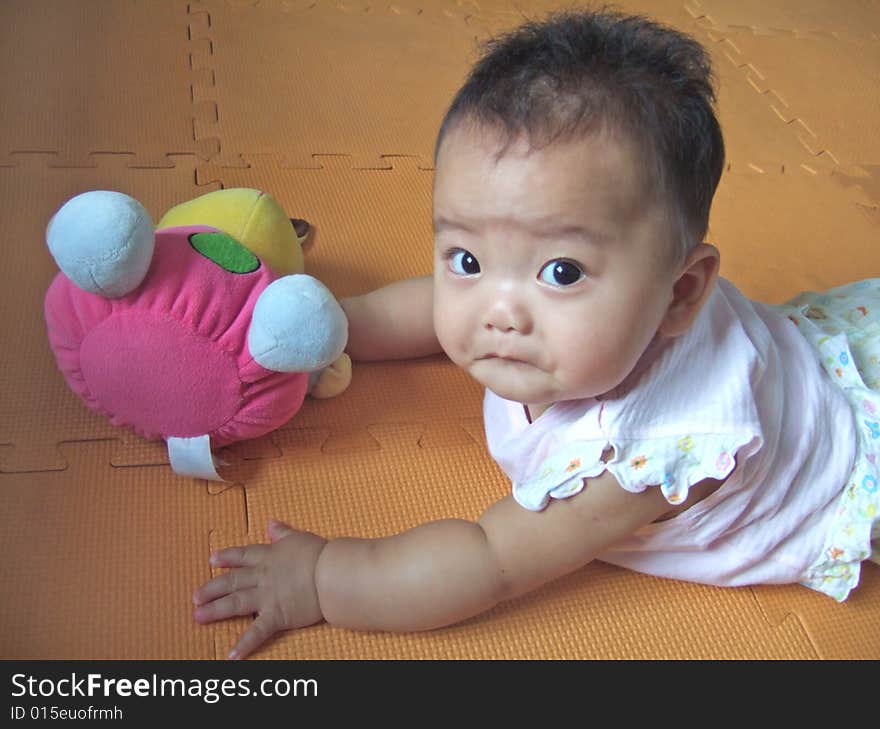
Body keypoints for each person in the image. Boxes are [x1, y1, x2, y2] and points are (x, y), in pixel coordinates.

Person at [192, 9, 880, 660]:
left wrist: (321, 579)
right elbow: (429, 307)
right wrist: (328, 327)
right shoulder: (548, 312)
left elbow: (491, 559)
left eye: (562, 271)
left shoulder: (644, 453)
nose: (500, 310)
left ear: (681, 293)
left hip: (848, 461)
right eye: (467, 259)